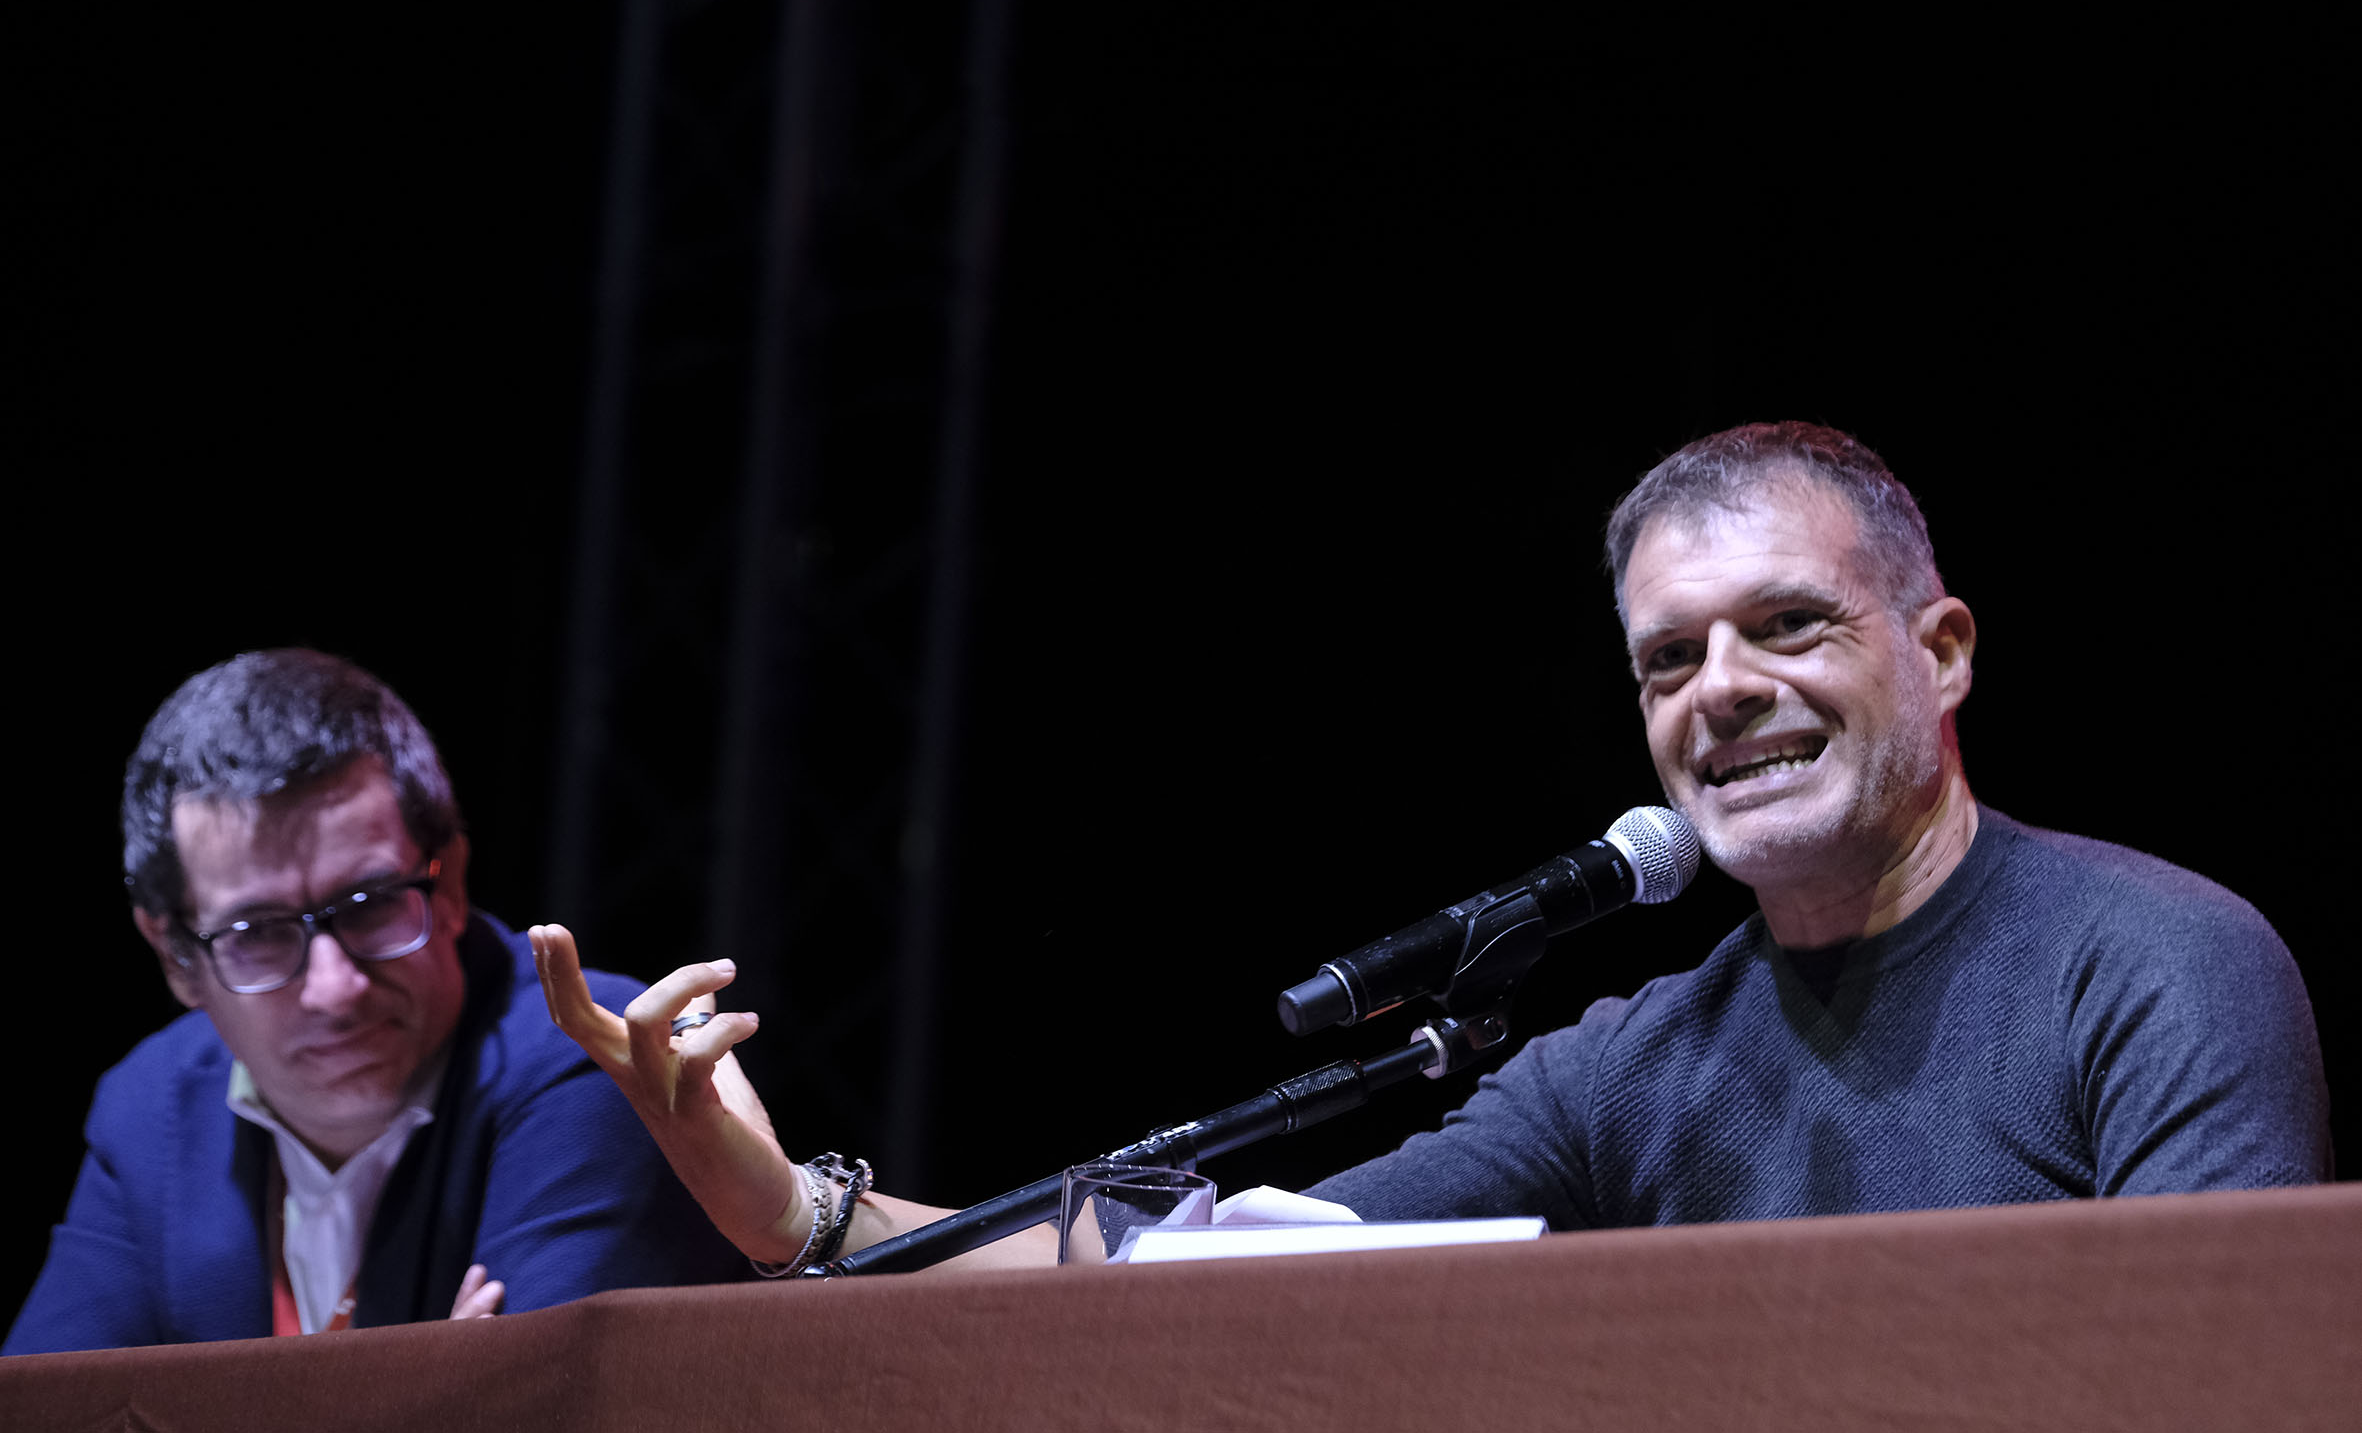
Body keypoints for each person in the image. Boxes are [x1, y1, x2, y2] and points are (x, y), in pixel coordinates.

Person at [531, 423, 2329, 1266]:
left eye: (1788, 626)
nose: (1720, 689)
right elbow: (1188, 1279)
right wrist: (800, 1210)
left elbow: (2212, 1374)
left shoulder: (2153, 962)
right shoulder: (1634, 1061)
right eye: (1668, 658)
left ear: (1940, 651)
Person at [6, 650, 745, 1354]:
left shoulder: (604, 1056)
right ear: (175, 957)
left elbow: (539, 1408)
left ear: (450, 884)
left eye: (371, 903)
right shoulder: (148, 1108)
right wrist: (414, 1399)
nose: (335, 988)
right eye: (258, 932)